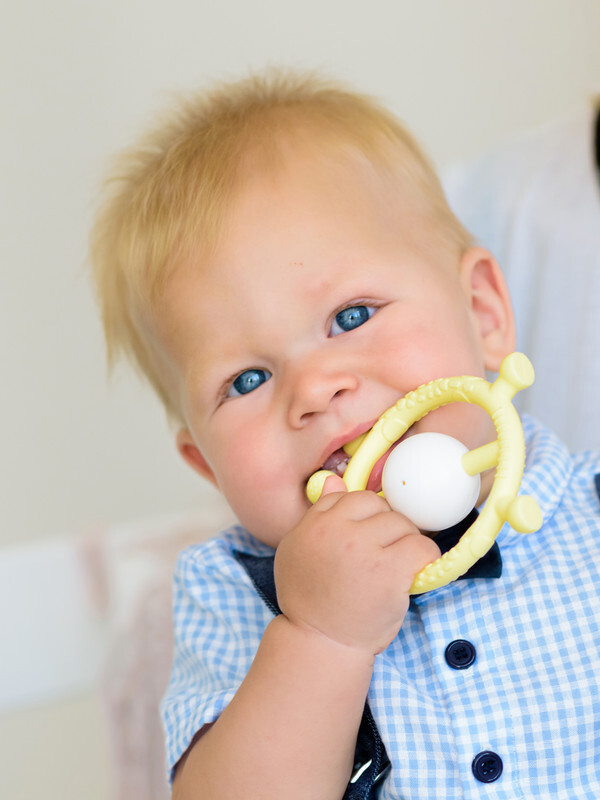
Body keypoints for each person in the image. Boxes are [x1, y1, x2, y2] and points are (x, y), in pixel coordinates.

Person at [90, 70, 600, 799]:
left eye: (353, 316)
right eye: (246, 380)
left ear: (483, 314)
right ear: (207, 466)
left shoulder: (591, 511)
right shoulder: (235, 594)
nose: (315, 389)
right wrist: (321, 639)